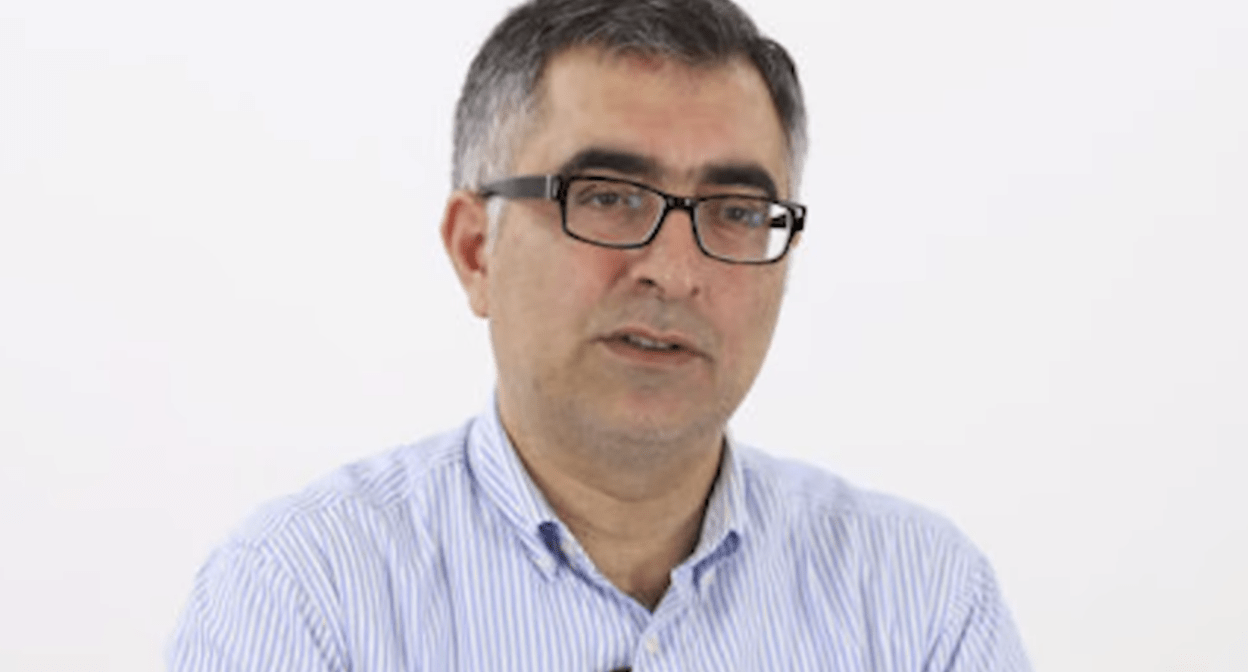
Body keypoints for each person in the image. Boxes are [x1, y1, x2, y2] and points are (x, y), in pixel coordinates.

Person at [168, 0, 1032, 669]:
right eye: (610, 197)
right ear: (475, 250)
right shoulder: (303, 593)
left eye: (735, 211)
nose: (674, 270)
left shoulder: (919, 600)